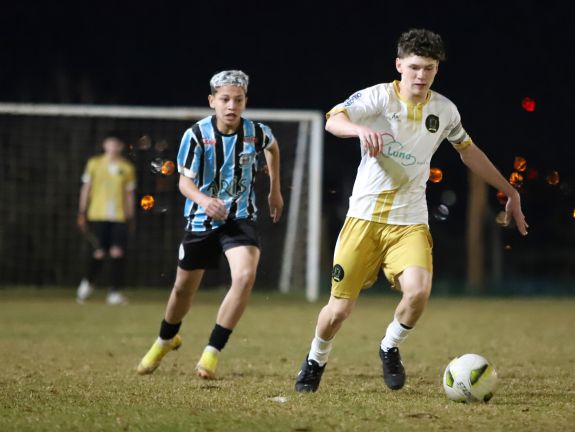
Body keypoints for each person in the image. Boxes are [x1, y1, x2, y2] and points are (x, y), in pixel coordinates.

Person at [294, 29, 528, 392]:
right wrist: (359, 131)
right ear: (399, 64)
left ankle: (389, 346)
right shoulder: (377, 97)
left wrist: (509, 189)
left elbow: (468, 151)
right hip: (364, 220)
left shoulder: (445, 110)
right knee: (338, 311)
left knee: (418, 292)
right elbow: (332, 119)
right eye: (415, 67)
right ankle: (315, 359)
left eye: (430, 69)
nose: (421, 76)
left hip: (409, 222)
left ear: (437, 70)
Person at [136, 70, 283, 379]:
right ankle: (165, 339)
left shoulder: (256, 132)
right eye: (225, 99)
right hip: (201, 220)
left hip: (241, 219)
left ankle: (211, 352)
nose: (231, 106)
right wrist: (204, 201)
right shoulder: (196, 136)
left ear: (245, 102)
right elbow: (184, 183)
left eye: (238, 100)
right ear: (212, 101)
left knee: (244, 277)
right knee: (182, 290)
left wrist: (274, 191)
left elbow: (273, 147)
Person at [76, 135, 136, 305]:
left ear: (121, 146)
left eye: (117, 144)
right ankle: (87, 284)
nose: (113, 147)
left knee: (118, 252)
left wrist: (130, 216)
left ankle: (114, 292)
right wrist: (82, 211)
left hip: (119, 216)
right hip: (97, 214)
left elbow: (129, 194)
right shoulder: (94, 164)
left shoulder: (127, 167)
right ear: (104, 144)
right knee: (100, 252)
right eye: (110, 143)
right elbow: (86, 189)